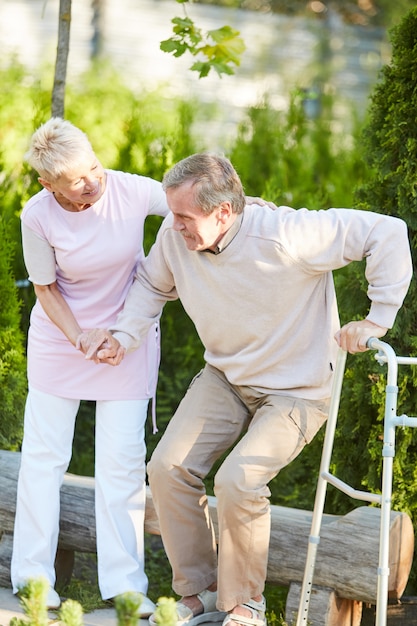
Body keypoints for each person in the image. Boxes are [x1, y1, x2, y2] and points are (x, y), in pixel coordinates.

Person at [83, 153, 412, 626]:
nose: (173, 226)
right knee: (167, 467)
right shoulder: (175, 238)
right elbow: (152, 286)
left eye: (184, 216)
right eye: (171, 213)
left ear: (224, 212)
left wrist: (378, 316)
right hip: (228, 377)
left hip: (297, 389)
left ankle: (245, 606)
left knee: (238, 480)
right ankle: (200, 590)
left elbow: (387, 230)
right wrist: (123, 335)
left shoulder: (287, 233)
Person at [10, 117, 170, 613]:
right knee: (43, 459)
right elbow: (45, 289)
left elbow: (195, 205)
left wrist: (257, 211)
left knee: (121, 464)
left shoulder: (131, 191)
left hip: (128, 338)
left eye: (94, 167)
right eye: (77, 181)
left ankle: (125, 588)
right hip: (64, 340)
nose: (93, 182)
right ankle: (34, 580)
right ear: (47, 184)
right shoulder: (36, 216)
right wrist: (79, 336)